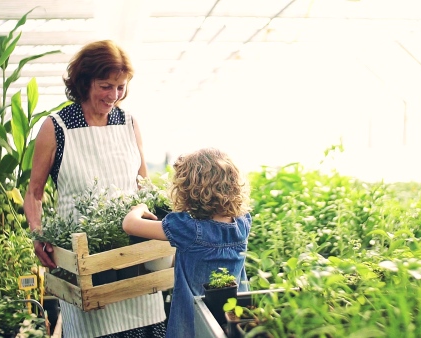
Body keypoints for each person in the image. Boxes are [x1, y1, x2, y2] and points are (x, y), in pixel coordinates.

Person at [23, 40, 167, 338]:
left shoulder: (128, 123)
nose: (114, 95)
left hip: (134, 254)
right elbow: (34, 192)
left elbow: (143, 185)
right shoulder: (57, 127)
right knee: (93, 327)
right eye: (106, 85)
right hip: (86, 260)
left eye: (120, 86)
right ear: (84, 81)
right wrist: (38, 234)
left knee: (144, 322)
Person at [122, 147, 252, 338]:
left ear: (190, 189)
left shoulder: (186, 227)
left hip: (192, 325)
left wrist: (140, 208)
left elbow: (130, 224)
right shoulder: (243, 222)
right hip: (231, 320)